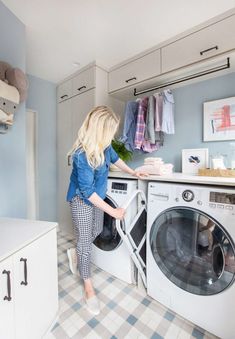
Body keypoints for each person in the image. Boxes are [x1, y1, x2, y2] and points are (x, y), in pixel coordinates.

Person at [66, 105, 147, 315]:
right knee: (85, 241)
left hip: (98, 198)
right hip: (82, 199)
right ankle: (88, 286)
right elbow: (87, 192)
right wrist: (113, 212)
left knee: (94, 232)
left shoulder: (105, 146)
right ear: (100, 130)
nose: (112, 135)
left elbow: (116, 160)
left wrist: (134, 172)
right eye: (110, 130)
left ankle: (76, 252)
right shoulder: (81, 155)